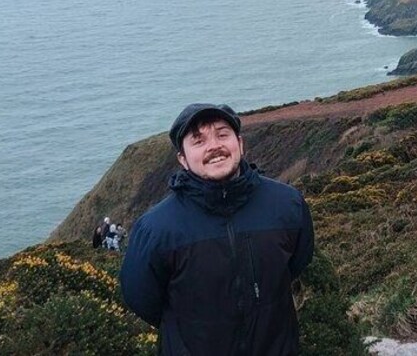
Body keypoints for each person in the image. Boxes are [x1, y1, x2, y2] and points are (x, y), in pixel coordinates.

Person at [120, 103, 314, 356]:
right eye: (198, 141)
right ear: (182, 159)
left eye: (222, 134)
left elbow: (298, 261)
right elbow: (141, 298)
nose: (214, 146)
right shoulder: (155, 229)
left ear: (240, 144)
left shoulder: (287, 204)